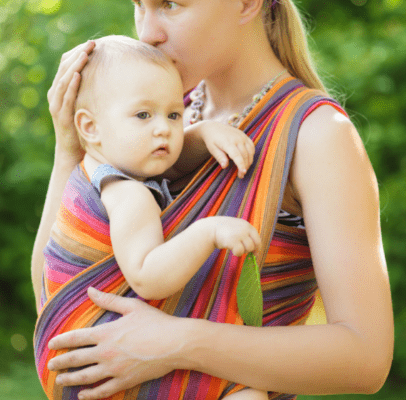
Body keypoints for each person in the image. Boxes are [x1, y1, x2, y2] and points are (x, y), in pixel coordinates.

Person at [32, 0, 394, 399]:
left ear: (246, 4)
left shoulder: (316, 134)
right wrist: (70, 153)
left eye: (170, 4)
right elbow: (55, 306)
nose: (148, 31)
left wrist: (176, 342)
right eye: (139, 6)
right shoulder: (158, 121)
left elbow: (366, 357)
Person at [37, 34, 267, 400]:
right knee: (248, 391)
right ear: (90, 127)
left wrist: (203, 131)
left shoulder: (92, 172)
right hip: (106, 365)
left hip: (74, 365)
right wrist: (209, 230)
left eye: (174, 114)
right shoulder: (129, 194)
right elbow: (148, 277)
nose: (163, 128)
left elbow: (167, 158)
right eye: (143, 114)